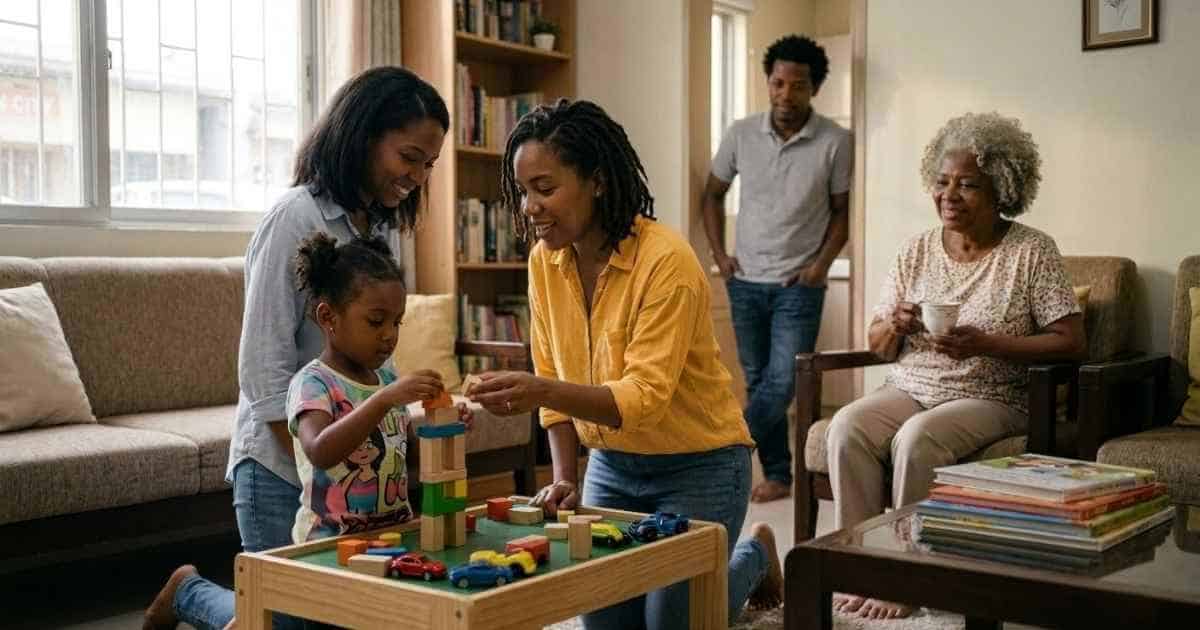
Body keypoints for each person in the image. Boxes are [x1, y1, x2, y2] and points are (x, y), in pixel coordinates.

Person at [143, 65, 448, 630]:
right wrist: (316, 463)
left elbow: (378, 358)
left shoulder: (379, 232)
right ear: (364, 135)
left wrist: (408, 427)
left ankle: (193, 591)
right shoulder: (294, 218)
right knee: (283, 623)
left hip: (349, 471)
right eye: (409, 156)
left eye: (428, 164)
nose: (417, 175)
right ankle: (189, 593)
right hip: (284, 468)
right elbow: (262, 368)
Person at [467, 99, 784, 630]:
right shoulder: (544, 261)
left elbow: (641, 398)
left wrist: (541, 389)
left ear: (597, 182)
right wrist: (565, 476)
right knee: (607, 623)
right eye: (523, 192)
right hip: (612, 469)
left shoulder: (667, 261)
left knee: (672, 624)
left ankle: (753, 556)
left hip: (700, 465)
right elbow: (553, 370)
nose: (529, 206)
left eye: (545, 189)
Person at [828, 112, 1087, 620]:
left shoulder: (1032, 251)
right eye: (942, 182)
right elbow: (878, 344)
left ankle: (910, 576)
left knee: (918, 437)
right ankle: (856, 567)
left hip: (992, 395)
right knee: (845, 426)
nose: (950, 194)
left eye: (968, 184)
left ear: (1001, 190)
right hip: (910, 384)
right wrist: (897, 325)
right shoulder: (915, 250)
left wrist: (989, 343)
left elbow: (1072, 340)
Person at [701, 34, 852, 503]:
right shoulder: (741, 133)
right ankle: (779, 476)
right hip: (745, 281)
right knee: (760, 381)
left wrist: (819, 266)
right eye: (778, 83)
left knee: (784, 381)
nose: (786, 95)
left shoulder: (835, 141)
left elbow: (843, 212)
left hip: (797, 286)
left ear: (815, 88)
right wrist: (721, 257)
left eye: (798, 85)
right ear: (768, 83)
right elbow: (711, 194)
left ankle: (718, 448)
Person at [287, 233, 469, 543]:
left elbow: (407, 456)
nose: (389, 335)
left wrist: (447, 428)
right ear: (328, 317)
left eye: (397, 322)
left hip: (392, 536)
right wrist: (384, 400)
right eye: (375, 321)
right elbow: (319, 450)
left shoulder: (386, 379)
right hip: (330, 542)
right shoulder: (314, 382)